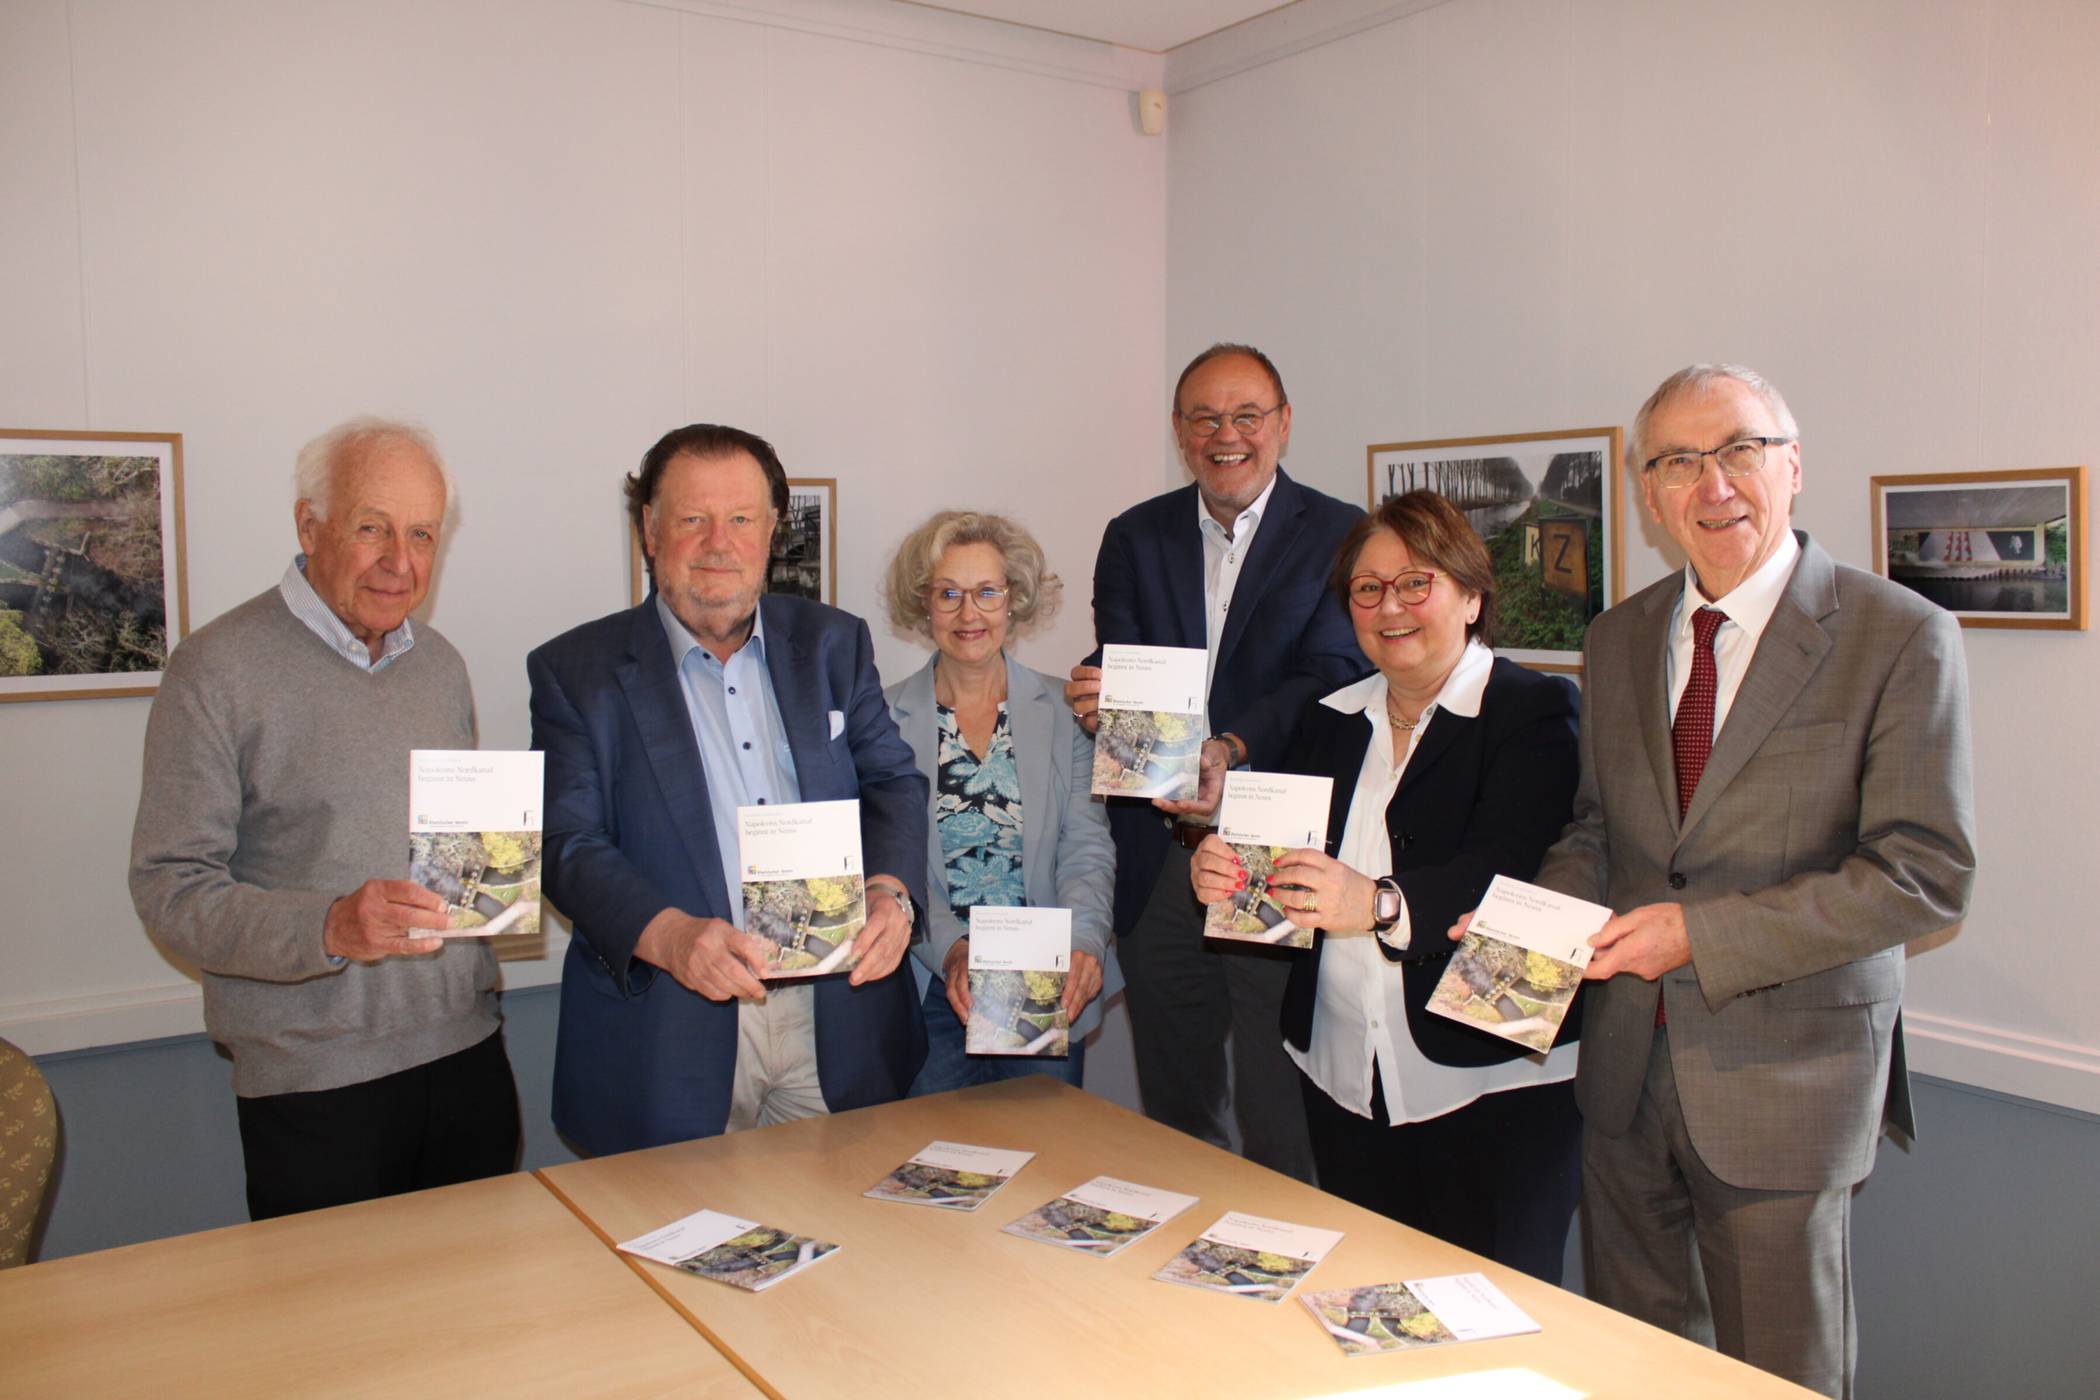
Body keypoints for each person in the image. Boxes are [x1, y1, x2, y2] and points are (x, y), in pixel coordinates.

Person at [1515, 365, 1976, 1397]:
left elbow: (1925, 874)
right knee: (1633, 1367)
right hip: (1626, 1070)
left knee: (1782, 1374)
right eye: (1678, 461)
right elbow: (1601, 832)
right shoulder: (1619, 636)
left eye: (1739, 450)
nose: (1711, 482)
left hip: (1789, 1083)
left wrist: (1700, 934)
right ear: (1648, 492)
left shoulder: (1897, 634)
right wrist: (1535, 918)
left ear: (1794, 465)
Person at [129, 417, 519, 1220]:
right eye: (371, 528)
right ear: (309, 526)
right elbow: (170, 890)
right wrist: (330, 927)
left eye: (421, 534)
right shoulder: (214, 670)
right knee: (336, 1341)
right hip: (316, 1087)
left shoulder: (440, 665)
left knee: (476, 1328)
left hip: (468, 1057)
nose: (400, 562)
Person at [1187, 491, 1583, 1281]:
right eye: (1367, 589)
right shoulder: (1330, 718)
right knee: (1367, 1302)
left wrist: (1375, 904)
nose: (1389, 606)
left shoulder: (1533, 710)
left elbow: (1506, 866)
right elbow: (1288, 868)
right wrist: (1223, 865)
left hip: (1489, 1086)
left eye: (1415, 583)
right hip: (1342, 1077)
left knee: (1490, 1319)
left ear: (1472, 597)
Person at [528, 424, 926, 1156]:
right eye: (692, 519)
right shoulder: (575, 671)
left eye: (742, 519)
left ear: (773, 530)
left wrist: (892, 893)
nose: (720, 542)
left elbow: (893, 782)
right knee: (672, 1248)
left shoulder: (836, 644)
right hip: (672, 1031)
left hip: (835, 1019)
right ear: (649, 531)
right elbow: (566, 843)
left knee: (849, 1245)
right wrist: (669, 935)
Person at [1066, 342, 1363, 1181]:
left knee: (1278, 1102)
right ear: (1178, 430)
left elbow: (1334, 671)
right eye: (1204, 418)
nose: (1225, 435)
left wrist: (1229, 749)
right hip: (1159, 862)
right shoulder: (1134, 534)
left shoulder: (1343, 533)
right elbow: (1122, 659)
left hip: (1276, 849)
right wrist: (1096, 695)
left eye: (1246, 416)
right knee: (1179, 1107)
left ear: (1283, 424)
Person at [881, 511, 1119, 1093]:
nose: (970, 614)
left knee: (1045, 1160)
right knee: (932, 1170)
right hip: (932, 990)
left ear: (1014, 600)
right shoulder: (883, 720)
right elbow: (892, 861)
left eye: (987, 591)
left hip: (1043, 983)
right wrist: (952, 952)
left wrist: (1085, 942)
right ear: (924, 604)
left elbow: (1086, 847)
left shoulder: (1068, 714)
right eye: (949, 594)